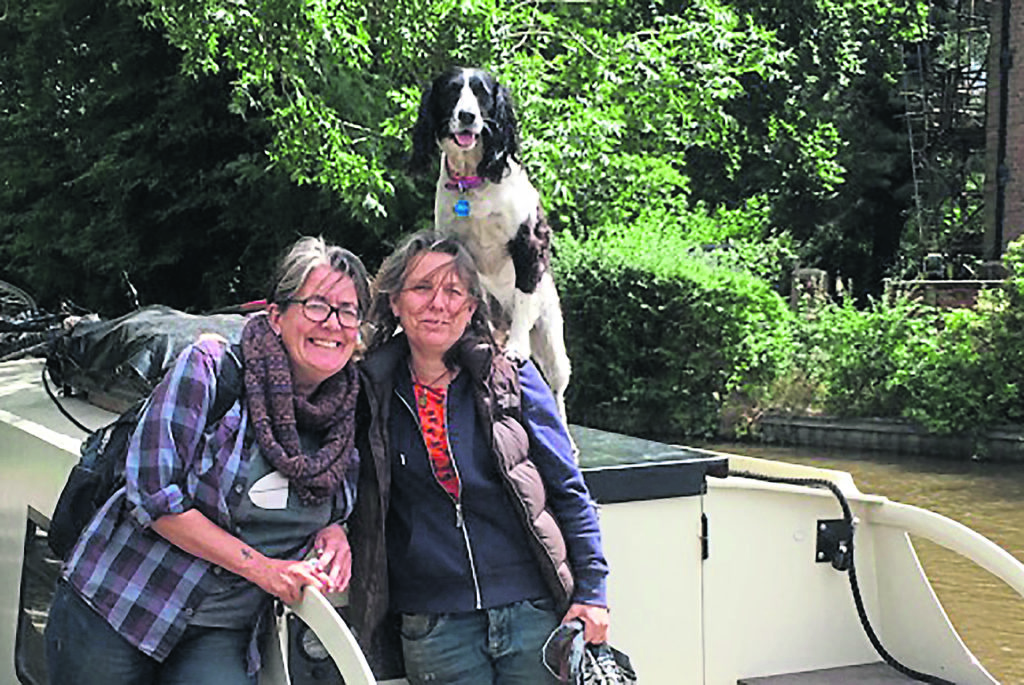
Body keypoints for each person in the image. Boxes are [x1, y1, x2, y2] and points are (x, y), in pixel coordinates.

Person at [45, 236, 369, 685]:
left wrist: (333, 529)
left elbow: (336, 500)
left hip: (221, 633)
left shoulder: (351, 412)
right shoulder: (211, 368)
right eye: (316, 305)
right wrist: (265, 569)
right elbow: (154, 496)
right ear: (276, 316)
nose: (333, 323)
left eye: (348, 310)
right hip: (120, 607)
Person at [346, 231, 610, 684]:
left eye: (454, 291)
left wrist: (593, 592)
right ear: (394, 302)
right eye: (422, 288)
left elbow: (569, 490)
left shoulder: (512, 378)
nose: (438, 304)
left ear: (471, 308)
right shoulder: (367, 393)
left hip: (533, 616)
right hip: (435, 626)